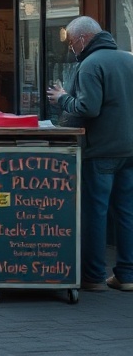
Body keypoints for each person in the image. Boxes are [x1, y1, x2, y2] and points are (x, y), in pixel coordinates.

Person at [47, 15, 133, 292]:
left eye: (72, 42)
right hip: (130, 151)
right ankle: (127, 275)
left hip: (100, 151)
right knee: (127, 213)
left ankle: (94, 276)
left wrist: (62, 98)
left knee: (95, 213)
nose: (71, 48)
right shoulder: (129, 59)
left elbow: (88, 108)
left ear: (83, 39)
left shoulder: (89, 65)